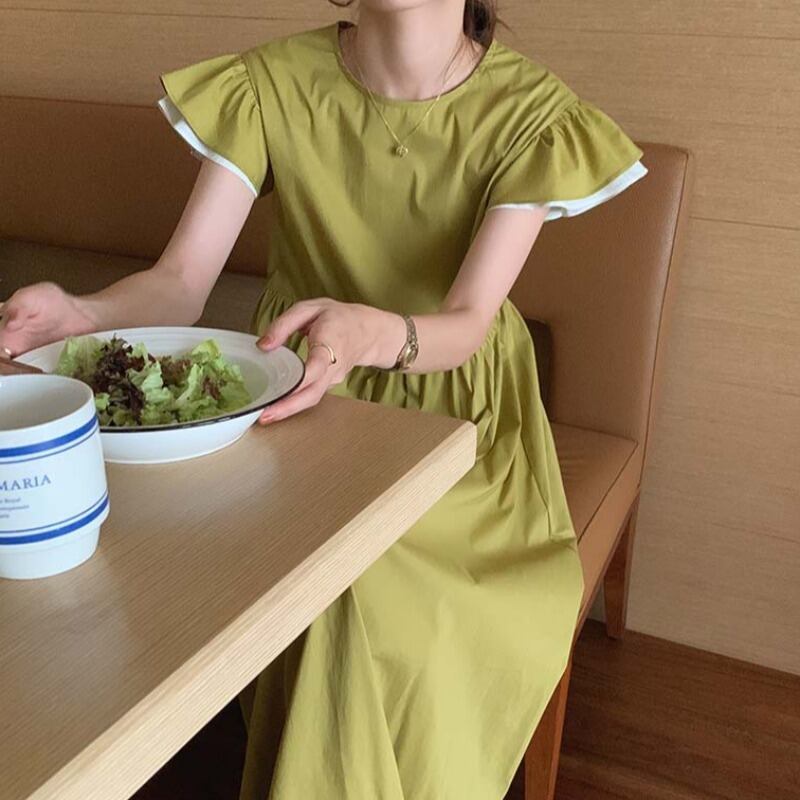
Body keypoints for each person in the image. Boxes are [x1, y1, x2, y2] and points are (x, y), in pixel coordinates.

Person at [0, 1, 648, 796]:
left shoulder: (531, 112)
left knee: (363, 594)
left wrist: (373, 334)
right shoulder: (268, 84)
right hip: (296, 401)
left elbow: (467, 322)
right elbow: (181, 281)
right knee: (270, 571)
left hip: (456, 417)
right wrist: (83, 312)